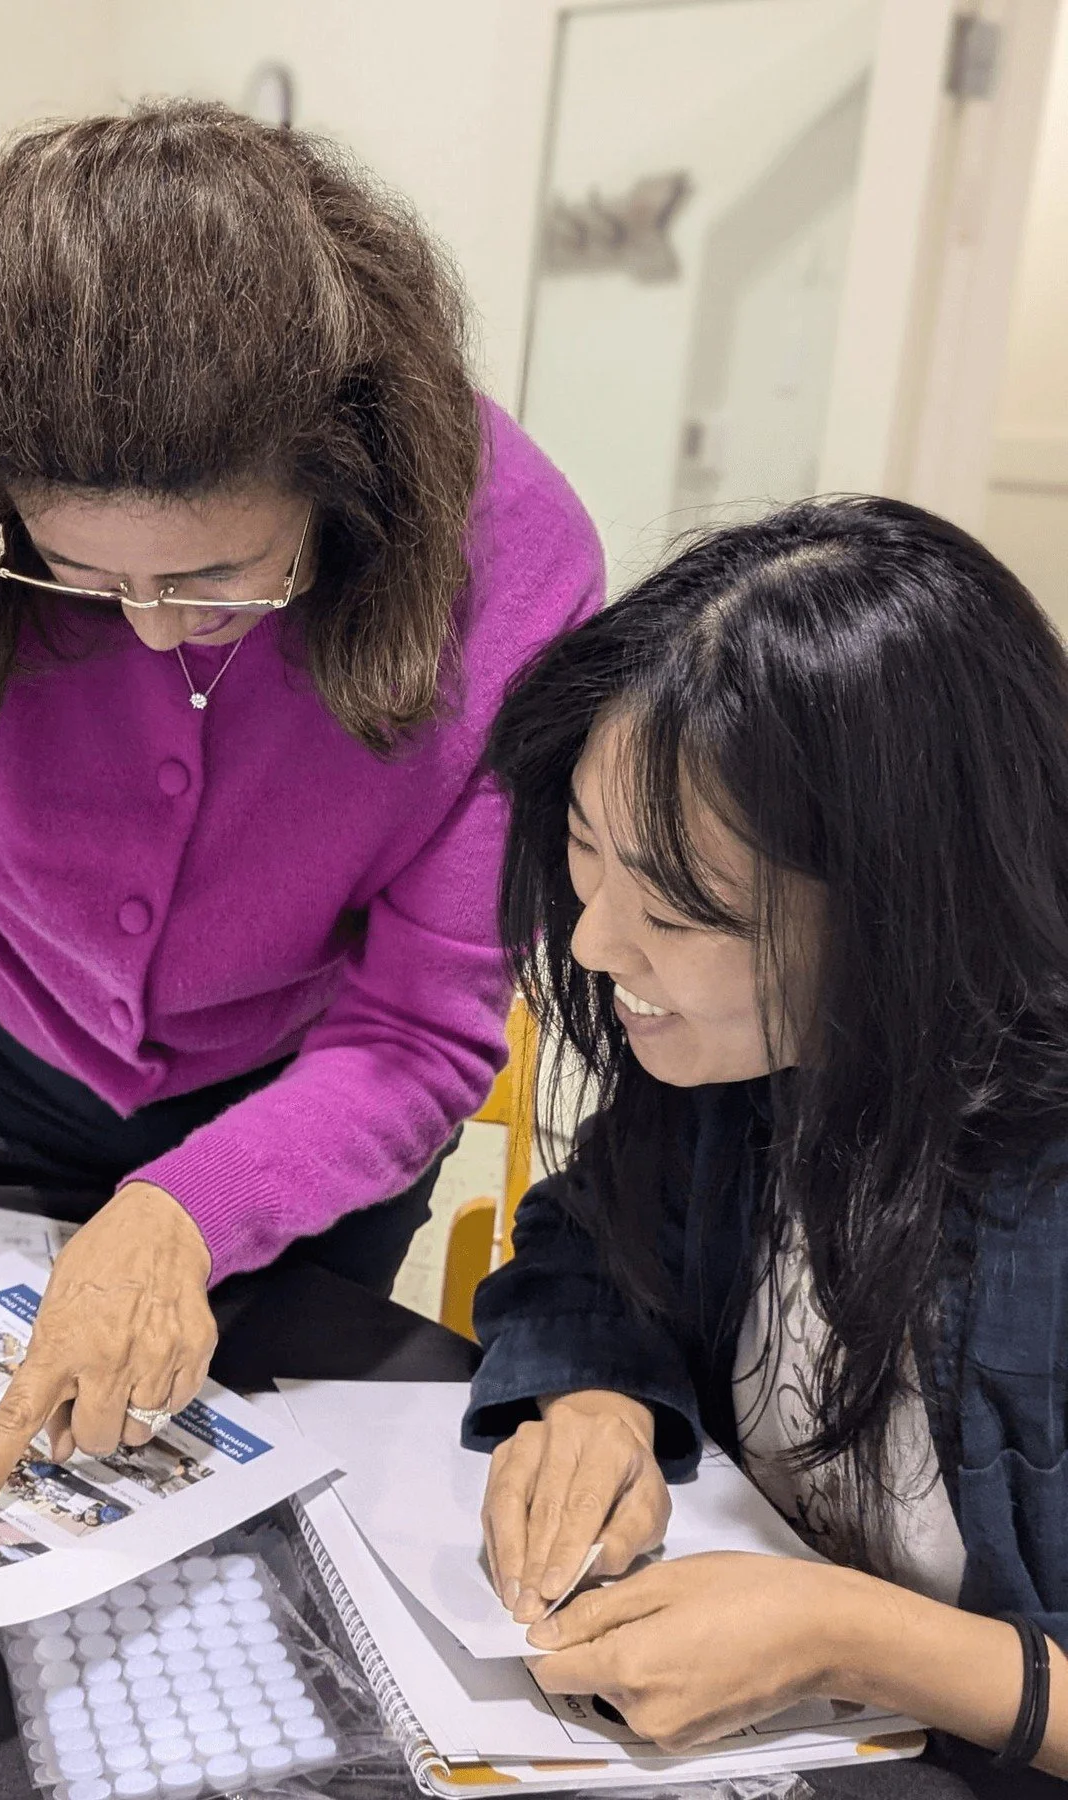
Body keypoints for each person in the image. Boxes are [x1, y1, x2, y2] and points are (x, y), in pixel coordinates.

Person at [0, 102, 603, 1523]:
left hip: (310, 1117)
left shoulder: (514, 565)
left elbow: (422, 1026)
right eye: (80, 575)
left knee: (233, 1525)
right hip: (14, 1059)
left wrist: (190, 1211)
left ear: (346, 472)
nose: (151, 629)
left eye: (220, 575)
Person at [466, 498, 1068, 1792]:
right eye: (582, 851)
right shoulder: (746, 1072)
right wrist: (597, 1401)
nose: (592, 944)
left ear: (908, 912)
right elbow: (591, 1238)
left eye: (679, 910)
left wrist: (849, 1634)